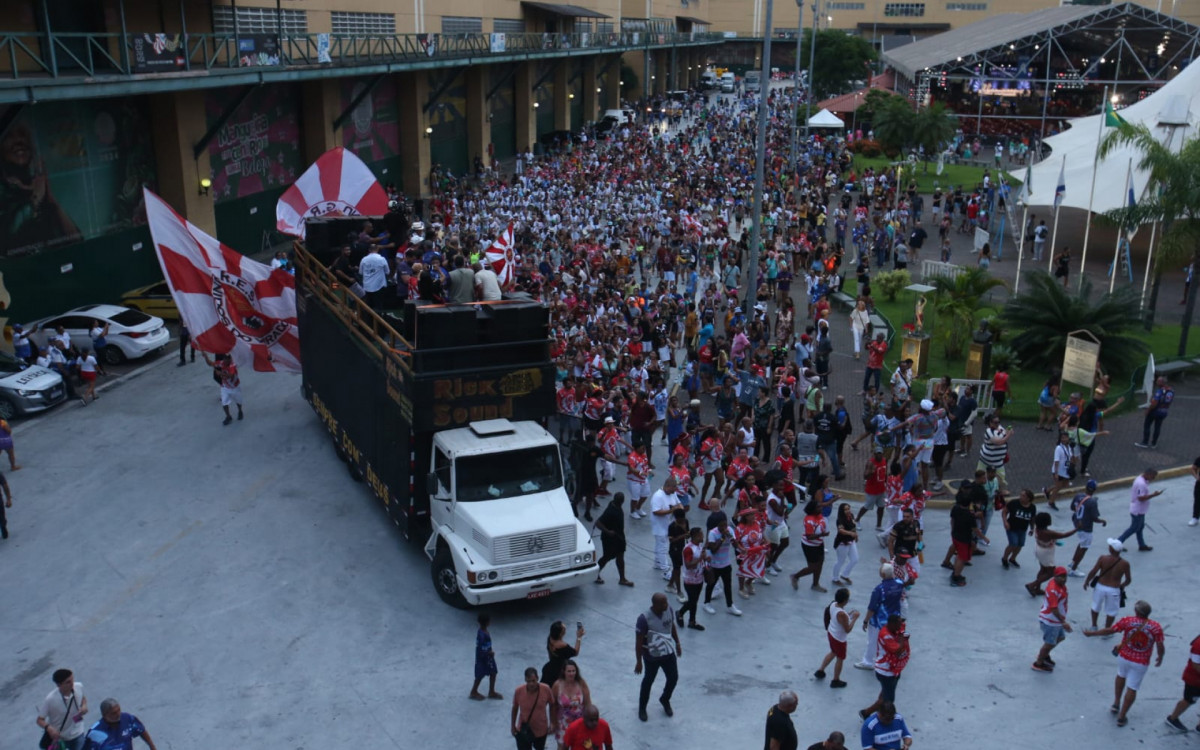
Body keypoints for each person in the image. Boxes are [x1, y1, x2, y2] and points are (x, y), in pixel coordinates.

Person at [1083, 600, 1165, 727]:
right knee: (1132, 687)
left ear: (1136, 611)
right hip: (1141, 661)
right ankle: (1122, 717)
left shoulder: (1128, 621)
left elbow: (1111, 630)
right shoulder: (1156, 627)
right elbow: (1160, 644)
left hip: (1125, 656)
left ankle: (1116, 703)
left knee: (1120, 675)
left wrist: (1092, 633)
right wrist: (1160, 656)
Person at [635, 592, 681, 722]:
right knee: (648, 681)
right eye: (663, 603)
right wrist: (639, 662)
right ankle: (642, 708)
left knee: (673, 678)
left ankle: (665, 699)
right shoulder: (644, 619)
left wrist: (677, 643)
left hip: (667, 653)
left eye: (666, 602)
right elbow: (638, 642)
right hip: (651, 657)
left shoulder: (669, 610)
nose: (666, 604)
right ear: (655, 605)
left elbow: (672, 627)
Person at [855, 564, 905, 671]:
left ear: (882, 574)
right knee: (890, 641)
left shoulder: (879, 590)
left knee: (873, 641)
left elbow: (872, 608)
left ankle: (868, 661)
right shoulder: (900, 584)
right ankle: (889, 660)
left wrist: (865, 621)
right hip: (894, 619)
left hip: (879, 621)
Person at [860, 614, 909, 719]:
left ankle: (866, 713)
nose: (900, 626)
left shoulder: (890, 629)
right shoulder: (885, 635)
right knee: (888, 700)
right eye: (898, 624)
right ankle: (879, 717)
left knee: (885, 695)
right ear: (892, 624)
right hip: (886, 672)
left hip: (892, 670)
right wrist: (902, 636)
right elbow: (897, 649)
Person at [815, 587, 860, 688]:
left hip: (831, 633)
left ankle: (820, 670)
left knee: (833, 652)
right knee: (840, 658)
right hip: (839, 639)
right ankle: (836, 680)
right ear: (845, 600)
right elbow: (847, 629)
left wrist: (849, 615)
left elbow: (840, 619)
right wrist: (855, 619)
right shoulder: (842, 614)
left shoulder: (833, 604)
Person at [1084, 538, 1131, 629]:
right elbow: (1128, 579)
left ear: (1111, 549)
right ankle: (1107, 629)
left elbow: (1094, 571)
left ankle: (1094, 625)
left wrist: (1087, 581)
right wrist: (1122, 585)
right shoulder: (1125, 563)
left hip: (1100, 586)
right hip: (1114, 589)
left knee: (1095, 606)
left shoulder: (1103, 558)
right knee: (1111, 611)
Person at [1032, 567, 1072, 672]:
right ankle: (1038, 663)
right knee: (1049, 643)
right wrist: (1063, 622)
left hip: (1055, 621)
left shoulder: (1058, 585)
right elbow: (1053, 608)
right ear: (1055, 577)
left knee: (1060, 637)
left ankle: (1044, 655)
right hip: (1051, 621)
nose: (1063, 579)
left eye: (1065, 576)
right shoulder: (1054, 590)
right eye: (1061, 577)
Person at [37, 668, 89, 750]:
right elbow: (40, 720)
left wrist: (84, 706)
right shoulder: (50, 699)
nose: (72, 684)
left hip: (77, 732)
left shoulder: (78, 686)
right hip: (59, 737)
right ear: (59, 685)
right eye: (68, 682)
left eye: (72, 680)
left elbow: (82, 697)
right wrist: (50, 729)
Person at [702, 512, 742, 616]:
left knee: (727, 585)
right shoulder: (712, 533)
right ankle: (706, 603)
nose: (724, 527)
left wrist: (733, 540)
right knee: (711, 584)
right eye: (722, 525)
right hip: (715, 565)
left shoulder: (730, 530)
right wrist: (723, 538)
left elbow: (735, 545)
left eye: (725, 524)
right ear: (717, 525)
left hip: (726, 563)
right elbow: (714, 549)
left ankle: (730, 605)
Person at [80, 699, 157, 750]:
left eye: (118, 710)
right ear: (104, 715)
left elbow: (141, 730)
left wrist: (152, 746)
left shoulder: (127, 719)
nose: (118, 714)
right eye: (114, 713)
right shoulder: (95, 733)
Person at [1066, 480, 1106, 576]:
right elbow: (1094, 518)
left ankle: (1073, 562)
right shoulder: (1092, 502)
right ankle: (1074, 569)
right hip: (1086, 527)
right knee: (1084, 548)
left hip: (1077, 524)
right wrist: (1102, 521)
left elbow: (1072, 508)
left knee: (1081, 544)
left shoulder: (1078, 496)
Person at [1117, 468, 1163, 552]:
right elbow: (1141, 498)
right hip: (1137, 510)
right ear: (1148, 474)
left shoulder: (1141, 479)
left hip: (1140, 510)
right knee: (1134, 528)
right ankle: (1118, 542)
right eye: (1153, 477)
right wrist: (1153, 495)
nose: (1153, 479)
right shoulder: (1141, 484)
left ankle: (1142, 545)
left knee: (1140, 527)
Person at [790, 499, 830, 593]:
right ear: (813, 509)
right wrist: (822, 535)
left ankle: (815, 584)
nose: (821, 508)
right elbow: (809, 537)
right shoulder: (809, 520)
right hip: (810, 546)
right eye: (818, 507)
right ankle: (795, 576)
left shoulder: (819, 515)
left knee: (820, 564)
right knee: (812, 567)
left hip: (819, 543)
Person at [594, 493, 633, 586]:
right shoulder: (610, 511)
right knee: (606, 557)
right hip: (609, 539)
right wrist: (608, 531)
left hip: (619, 538)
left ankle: (622, 578)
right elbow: (598, 523)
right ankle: (595, 574)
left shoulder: (615, 505)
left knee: (620, 557)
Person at [550, 660, 591, 749]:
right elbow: (553, 705)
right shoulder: (557, 685)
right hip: (562, 723)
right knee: (562, 747)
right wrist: (553, 722)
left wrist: (589, 721)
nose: (571, 673)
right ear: (564, 672)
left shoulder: (581, 683)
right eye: (569, 671)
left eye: (573, 671)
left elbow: (588, 703)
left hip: (579, 723)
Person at [1165, 632, 1200, 733]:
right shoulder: (1198, 644)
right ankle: (1172, 718)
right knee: (1189, 700)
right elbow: (1195, 664)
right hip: (1194, 680)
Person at [511, 667, 553, 750]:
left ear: (537, 678)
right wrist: (513, 726)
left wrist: (552, 723)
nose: (531, 684)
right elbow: (515, 708)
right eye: (528, 681)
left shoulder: (546, 689)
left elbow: (552, 704)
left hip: (541, 729)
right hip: (524, 730)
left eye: (533, 681)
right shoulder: (519, 691)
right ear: (525, 680)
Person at [649, 477, 683, 578]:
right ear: (667, 486)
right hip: (659, 526)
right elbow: (656, 511)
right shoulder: (658, 496)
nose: (675, 491)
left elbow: (678, 503)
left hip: (668, 525)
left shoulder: (672, 493)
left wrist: (680, 508)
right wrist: (671, 511)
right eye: (673, 489)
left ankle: (657, 563)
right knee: (663, 547)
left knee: (660, 545)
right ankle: (666, 570)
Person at [679, 527, 708, 630]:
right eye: (701, 534)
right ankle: (680, 613)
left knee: (694, 601)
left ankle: (692, 621)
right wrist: (700, 559)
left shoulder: (699, 546)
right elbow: (688, 565)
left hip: (699, 578)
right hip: (690, 579)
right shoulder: (688, 549)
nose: (703, 536)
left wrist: (704, 559)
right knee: (692, 601)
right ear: (696, 536)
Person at [203, 353, 244, 425]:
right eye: (224, 359)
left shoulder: (233, 365)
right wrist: (205, 357)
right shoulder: (221, 363)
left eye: (227, 359)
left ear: (230, 359)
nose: (225, 361)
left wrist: (220, 373)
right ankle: (228, 416)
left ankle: (240, 411)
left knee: (238, 401)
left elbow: (230, 376)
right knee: (224, 403)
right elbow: (210, 363)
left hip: (235, 387)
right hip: (225, 387)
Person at [1000, 489, 1036, 569]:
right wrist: (1005, 522)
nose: (1021, 497)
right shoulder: (1014, 503)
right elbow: (1004, 511)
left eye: (1023, 496)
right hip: (1012, 527)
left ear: (1028, 498)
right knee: (1013, 543)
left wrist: (1032, 528)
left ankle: (1012, 558)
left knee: (1020, 544)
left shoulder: (1032, 507)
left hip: (1023, 529)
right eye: (1021, 495)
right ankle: (1004, 558)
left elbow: (1032, 518)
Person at [541, 621, 584, 687]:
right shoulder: (562, 645)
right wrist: (579, 637)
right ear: (561, 633)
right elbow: (575, 652)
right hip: (558, 673)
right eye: (564, 629)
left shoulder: (550, 638)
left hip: (549, 668)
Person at [471, 612, 502, 700]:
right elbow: (481, 648)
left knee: (493, 672)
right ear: (488, 622)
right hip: (483, 657)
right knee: (480, 674)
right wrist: (488, 653)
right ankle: (473, 692)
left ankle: (491, 691)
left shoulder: (483, 631)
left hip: (488, 656)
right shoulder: (482, 634)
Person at [1135, 375, 1173, 449]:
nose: (1156, 382)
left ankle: (1145, 442)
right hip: (1164, 411)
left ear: (1161, 382)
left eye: (1158, 381)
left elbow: (1154, 402)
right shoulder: (1171, 390)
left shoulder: (1160, 391)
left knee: (1147, 425)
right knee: (1157, 427)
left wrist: (1148, 410)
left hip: (1155, 411)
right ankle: (1154, 443)